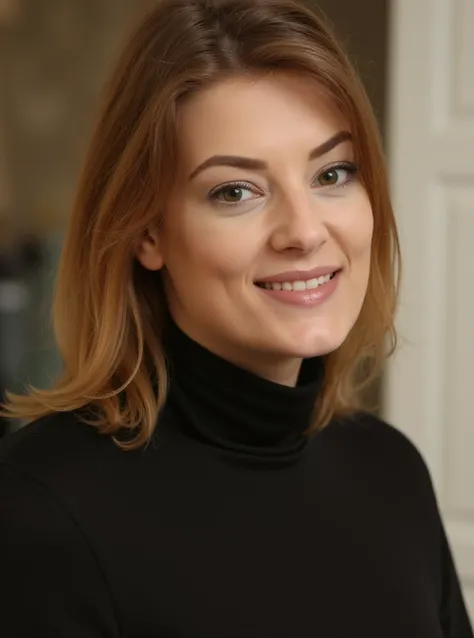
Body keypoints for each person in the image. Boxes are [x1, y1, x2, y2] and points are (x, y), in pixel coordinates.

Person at [0, 0, 472, 635]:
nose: (304, 231)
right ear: (146, 232)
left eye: (332, 172)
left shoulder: (390, 472)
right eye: (235, 191)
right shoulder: (39, 512)